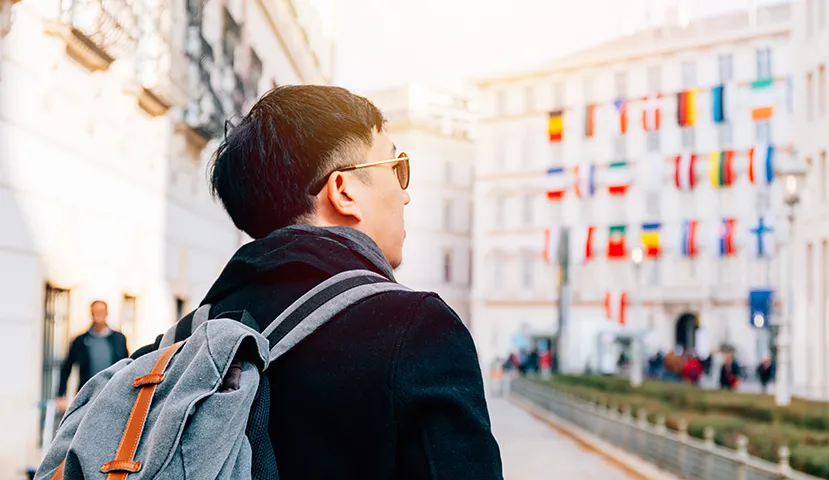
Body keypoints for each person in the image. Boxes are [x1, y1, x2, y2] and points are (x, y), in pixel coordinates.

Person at [132, 85, 502, 478]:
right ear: (344, 191)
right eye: (396, 167)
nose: (405, 196)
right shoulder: (417, 331)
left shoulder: (172, 349)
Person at [56, 300, 129, 411]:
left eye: (101, 311)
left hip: (112, 392)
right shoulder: (80, 341)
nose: (98, 315)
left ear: (106, 313)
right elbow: (67, 367)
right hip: (88, 395)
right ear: (91, 314)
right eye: (95, 312)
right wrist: (61, 395)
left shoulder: (119, 339)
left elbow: (126, 366)